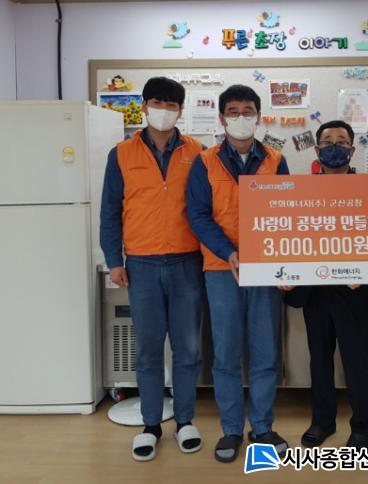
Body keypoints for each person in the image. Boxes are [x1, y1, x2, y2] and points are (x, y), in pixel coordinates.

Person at [100, 77, 206, 462]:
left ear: (181, 110)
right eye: (158, 103)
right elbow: (110, 210)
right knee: (147, 349)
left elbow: (206, 209)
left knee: (187, 348)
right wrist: (114, 259)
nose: (164, 110)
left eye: (172, 104)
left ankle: (185, 421)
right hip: (141, 264)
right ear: (145, 106)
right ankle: (150, 425)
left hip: (186, 262)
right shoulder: (121, 153)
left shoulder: (197, 152)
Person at [186, 84, 290, 463]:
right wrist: (229, 252)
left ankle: (262, 427)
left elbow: (287, 212)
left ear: (258, 117)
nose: (241, 118)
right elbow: (198, 215)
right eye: (233, 112)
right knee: (226, 354)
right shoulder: (205, 161)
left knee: (265, 353)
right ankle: (231, 429)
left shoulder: (276, 160)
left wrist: (286, 263)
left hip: (266, 270)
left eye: (248, 111)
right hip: (221, 269)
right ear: (221, 118)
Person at [281, 120, 368, 450]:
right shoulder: (300, 192)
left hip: (356, 292)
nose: (334, 146)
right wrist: (285, 276)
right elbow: (290, 236)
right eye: (327, 141)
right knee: (319, 361)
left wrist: (367, 270)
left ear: (352, 149)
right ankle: (322, 421)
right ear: (316, 149)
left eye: (341, 141)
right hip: (316, 292)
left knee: (358, 362)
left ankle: (362, 426)